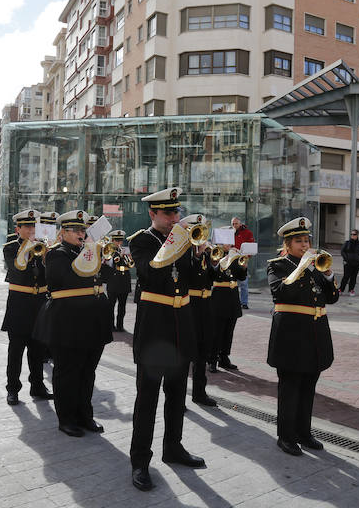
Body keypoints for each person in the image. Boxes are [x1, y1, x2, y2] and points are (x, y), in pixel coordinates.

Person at [128, 187, 207, 491]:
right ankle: (140, 461)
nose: (175, 217)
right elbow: (151, 274)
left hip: (180, 325)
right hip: (154, 328)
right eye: (168, 213)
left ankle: (173, 447)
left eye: (176, 212)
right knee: (147, 400)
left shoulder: (184, 241)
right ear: (153, 213)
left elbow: (195, 281)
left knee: (177, 395)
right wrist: (177, 241)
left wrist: (198, 255)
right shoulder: (141, 241)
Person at [267, 217, 338, 456]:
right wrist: (301, 269)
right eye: (299, 241)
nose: (305, 245)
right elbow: (281, 293)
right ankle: (286, 436)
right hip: (291, 336)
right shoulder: (278, 266)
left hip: (315, 335)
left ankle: (303, 433)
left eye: (307, 240)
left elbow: (332, 298)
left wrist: (328, 275)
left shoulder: (314, 266)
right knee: (290, 388)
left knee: (308, 387)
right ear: (287, 245)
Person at [43, 210, 113, 436]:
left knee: (87, 371)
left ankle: (85, 415)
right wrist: (91, 251)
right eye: (75, 230)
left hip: (93, 319)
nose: (81, 234)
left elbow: (108, 276)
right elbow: (69, 278)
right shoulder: (57, 254)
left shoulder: (89, 251)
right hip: (68, 321)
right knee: (67, 372)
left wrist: (105, 259)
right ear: (63, 232)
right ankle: (66, 418)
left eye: (83, 230)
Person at [1, 209, 52, 406]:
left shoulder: (43, 246)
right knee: (16, 350)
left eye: (34, 227)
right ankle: (12, 389)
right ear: (18, 229)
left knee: (38, 350)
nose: (32, 230)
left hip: (39, 303)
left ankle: (37, 386)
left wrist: (48, 253)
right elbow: (17, 267)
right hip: (19, 304)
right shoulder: (10, 247)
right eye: (28, 227)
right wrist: (28, 246)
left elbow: (51, 273)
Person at [180, 215, 217, 407]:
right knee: (185, 354)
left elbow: (214, 277)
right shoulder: (183, 253)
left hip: (205, 306)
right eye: (196, 232)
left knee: (202, 352)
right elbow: (187, 276)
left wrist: (217, 261)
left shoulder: (205, 253)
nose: (200, 237)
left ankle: (199, 393)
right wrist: (196, 255)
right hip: (189, 305)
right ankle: (179, 398)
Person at [209, 242, 248, 373]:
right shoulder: (214, 254)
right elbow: (212, 275)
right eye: (226, 241)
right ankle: (212, 359)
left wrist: (243, 267)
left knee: (228, 331)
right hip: (219, 297)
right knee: (216, 332)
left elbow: (241, 277)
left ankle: (224, 357)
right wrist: (221, 261)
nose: (229, 244)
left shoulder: (235, 256)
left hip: (232, 297)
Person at [106, 230, 133, 332]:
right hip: (113, 280)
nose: (119, 243)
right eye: (117, 240)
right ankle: (111, 325)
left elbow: (130, 264)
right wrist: (119, 256)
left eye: (120, 240)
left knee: (122, 305)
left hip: (124, 280)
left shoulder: (125, 251)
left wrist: (129, 257)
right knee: (111, 305)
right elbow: (110, 263)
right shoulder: (109, 250)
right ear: (112, 241)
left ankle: (120, 326)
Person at [232, 217, 254, 309]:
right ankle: (234, 302)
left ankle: (244, 303)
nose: (234, 225)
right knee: (232, 282)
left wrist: (246, 258)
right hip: (231, 259)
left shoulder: (248, 233)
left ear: (240, 224)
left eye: (236, 223)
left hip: (242, 259)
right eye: (233, 224)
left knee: (244, 283)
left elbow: (251, 247)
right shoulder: (230, 232)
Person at [339, 229, 359, 297]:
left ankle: (351, 290)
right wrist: (346, 259)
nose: (352, 236)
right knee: (346, 276)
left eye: (354, 234)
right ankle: (341, 289)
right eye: (351, 234)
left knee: (353, 277)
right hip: (348, 263)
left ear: (357, 235)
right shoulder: (347, 243)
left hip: (356, 263)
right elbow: (342, 251)